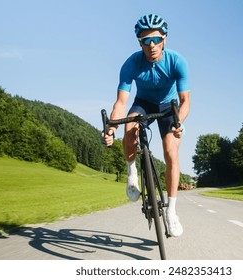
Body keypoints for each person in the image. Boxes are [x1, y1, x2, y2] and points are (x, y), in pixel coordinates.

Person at [102, 14, 191, 237]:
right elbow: (121, 103)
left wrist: (178, 122)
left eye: (156, 40)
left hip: (168, 107)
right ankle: (132, 173)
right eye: (145, 41)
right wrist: (111, 127)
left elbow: (185, 101)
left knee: (171, 151)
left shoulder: (177, 61)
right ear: (139, 42)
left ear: (164, 40)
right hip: (143, 103)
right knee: (130, 127)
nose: (151, 46)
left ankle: (171, 211)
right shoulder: (131, 64)